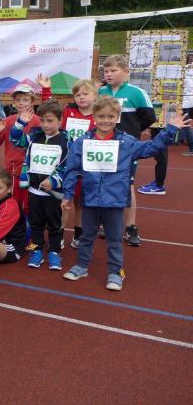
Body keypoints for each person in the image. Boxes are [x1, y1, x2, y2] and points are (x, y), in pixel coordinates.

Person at [62, 97, 191, 290]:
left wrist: (171, 129)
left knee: (114, 239)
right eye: (101, 116)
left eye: (110, 116)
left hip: (114, 201)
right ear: (94, 117)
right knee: (86, 236)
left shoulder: (126, 142)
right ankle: (81, 266)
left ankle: (115, 272)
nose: (106, 120)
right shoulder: (82, 142)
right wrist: (68, 194)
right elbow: (72, 169)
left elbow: (151, 147)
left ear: (117, 117)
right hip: (90, 199)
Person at [98, 54, 155, 246]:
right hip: (103, 145)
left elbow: (149, 117)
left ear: (125, 72)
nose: (108, 74)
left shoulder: (137, 93)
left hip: (126, 149)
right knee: (103, 183)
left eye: (113, 70)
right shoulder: (100, 92)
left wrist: (133, 132)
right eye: (106, 71)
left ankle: (130, 226)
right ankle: (105, 223)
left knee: (127, 185)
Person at [10, 100, 69, 270]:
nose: (45, 124)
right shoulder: (34, 136)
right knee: (36, 223)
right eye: (42, 120)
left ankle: (55, 252)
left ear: (60, 121)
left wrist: (54, 180)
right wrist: (20, 123)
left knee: (54, 224)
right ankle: (37, 250)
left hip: (53, 193)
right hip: (34, 190)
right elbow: (15, 139)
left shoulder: (66, 141)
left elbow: (68, 166)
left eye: (50, 120)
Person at [0, 78, 52, 219]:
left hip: (33, 169)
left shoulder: (38, 121)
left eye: (25, 99)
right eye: (18, 100)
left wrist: (46, 90)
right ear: (13, 101)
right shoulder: (8, 121)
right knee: (13, 202)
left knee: (31, 203)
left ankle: (30, 229)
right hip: (12, 170)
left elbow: (49, 110)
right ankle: (14, 228)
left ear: (32, 101)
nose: (21, 103)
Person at [61, 79, 97, 247]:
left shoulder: (98, 116)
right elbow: (52, 116)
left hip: (88, 167)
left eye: (85, 94)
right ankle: (59, 234)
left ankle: (78, 234)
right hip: (67, 164)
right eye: (77, 95)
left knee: (81, 203)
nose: (81, 97)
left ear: (95, 95)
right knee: (64, 201)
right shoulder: (68, 112)